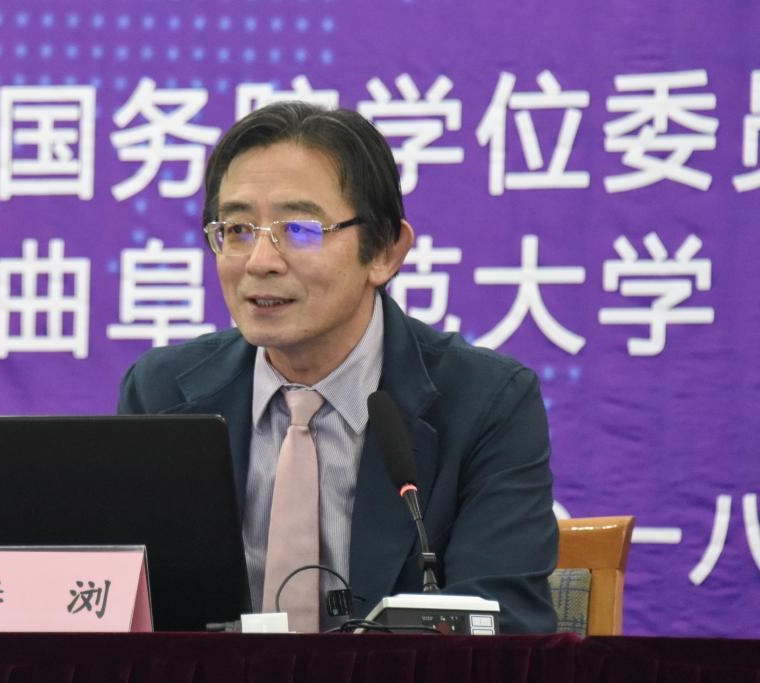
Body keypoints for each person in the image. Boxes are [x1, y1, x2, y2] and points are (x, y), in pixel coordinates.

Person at [117, 102, 558, 633]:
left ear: (385, 252)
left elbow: (504, 624)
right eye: (237, 229)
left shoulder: (487, 403)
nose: (260, 261)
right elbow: (124, 610)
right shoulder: (162, 394)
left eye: (300, 229)